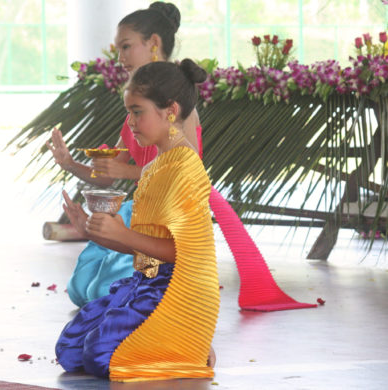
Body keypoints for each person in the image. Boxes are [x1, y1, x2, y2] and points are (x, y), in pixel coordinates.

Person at [48, 3, 316, 312]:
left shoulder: (175, 103)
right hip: (141, 209)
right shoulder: (136, 107)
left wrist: (127, 176)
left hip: (167, 217)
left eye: (126, 47)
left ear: (153, 44)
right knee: (82, 288)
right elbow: (112, 174)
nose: (119, 58)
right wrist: (69, 163)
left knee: (100, 291)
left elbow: (182, 169)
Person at [55, 59, 220, 381]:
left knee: (102, 357)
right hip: (145, 281)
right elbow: (142, 250)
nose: (129, 122)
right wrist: (92, 229)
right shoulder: (155, 166)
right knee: (70, 349)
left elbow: (184, 254)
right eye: (128, 111)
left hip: (177, 291)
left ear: (170, 110)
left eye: (137, 111)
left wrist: (124, 235)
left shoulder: (185, 168)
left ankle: (191, 346)